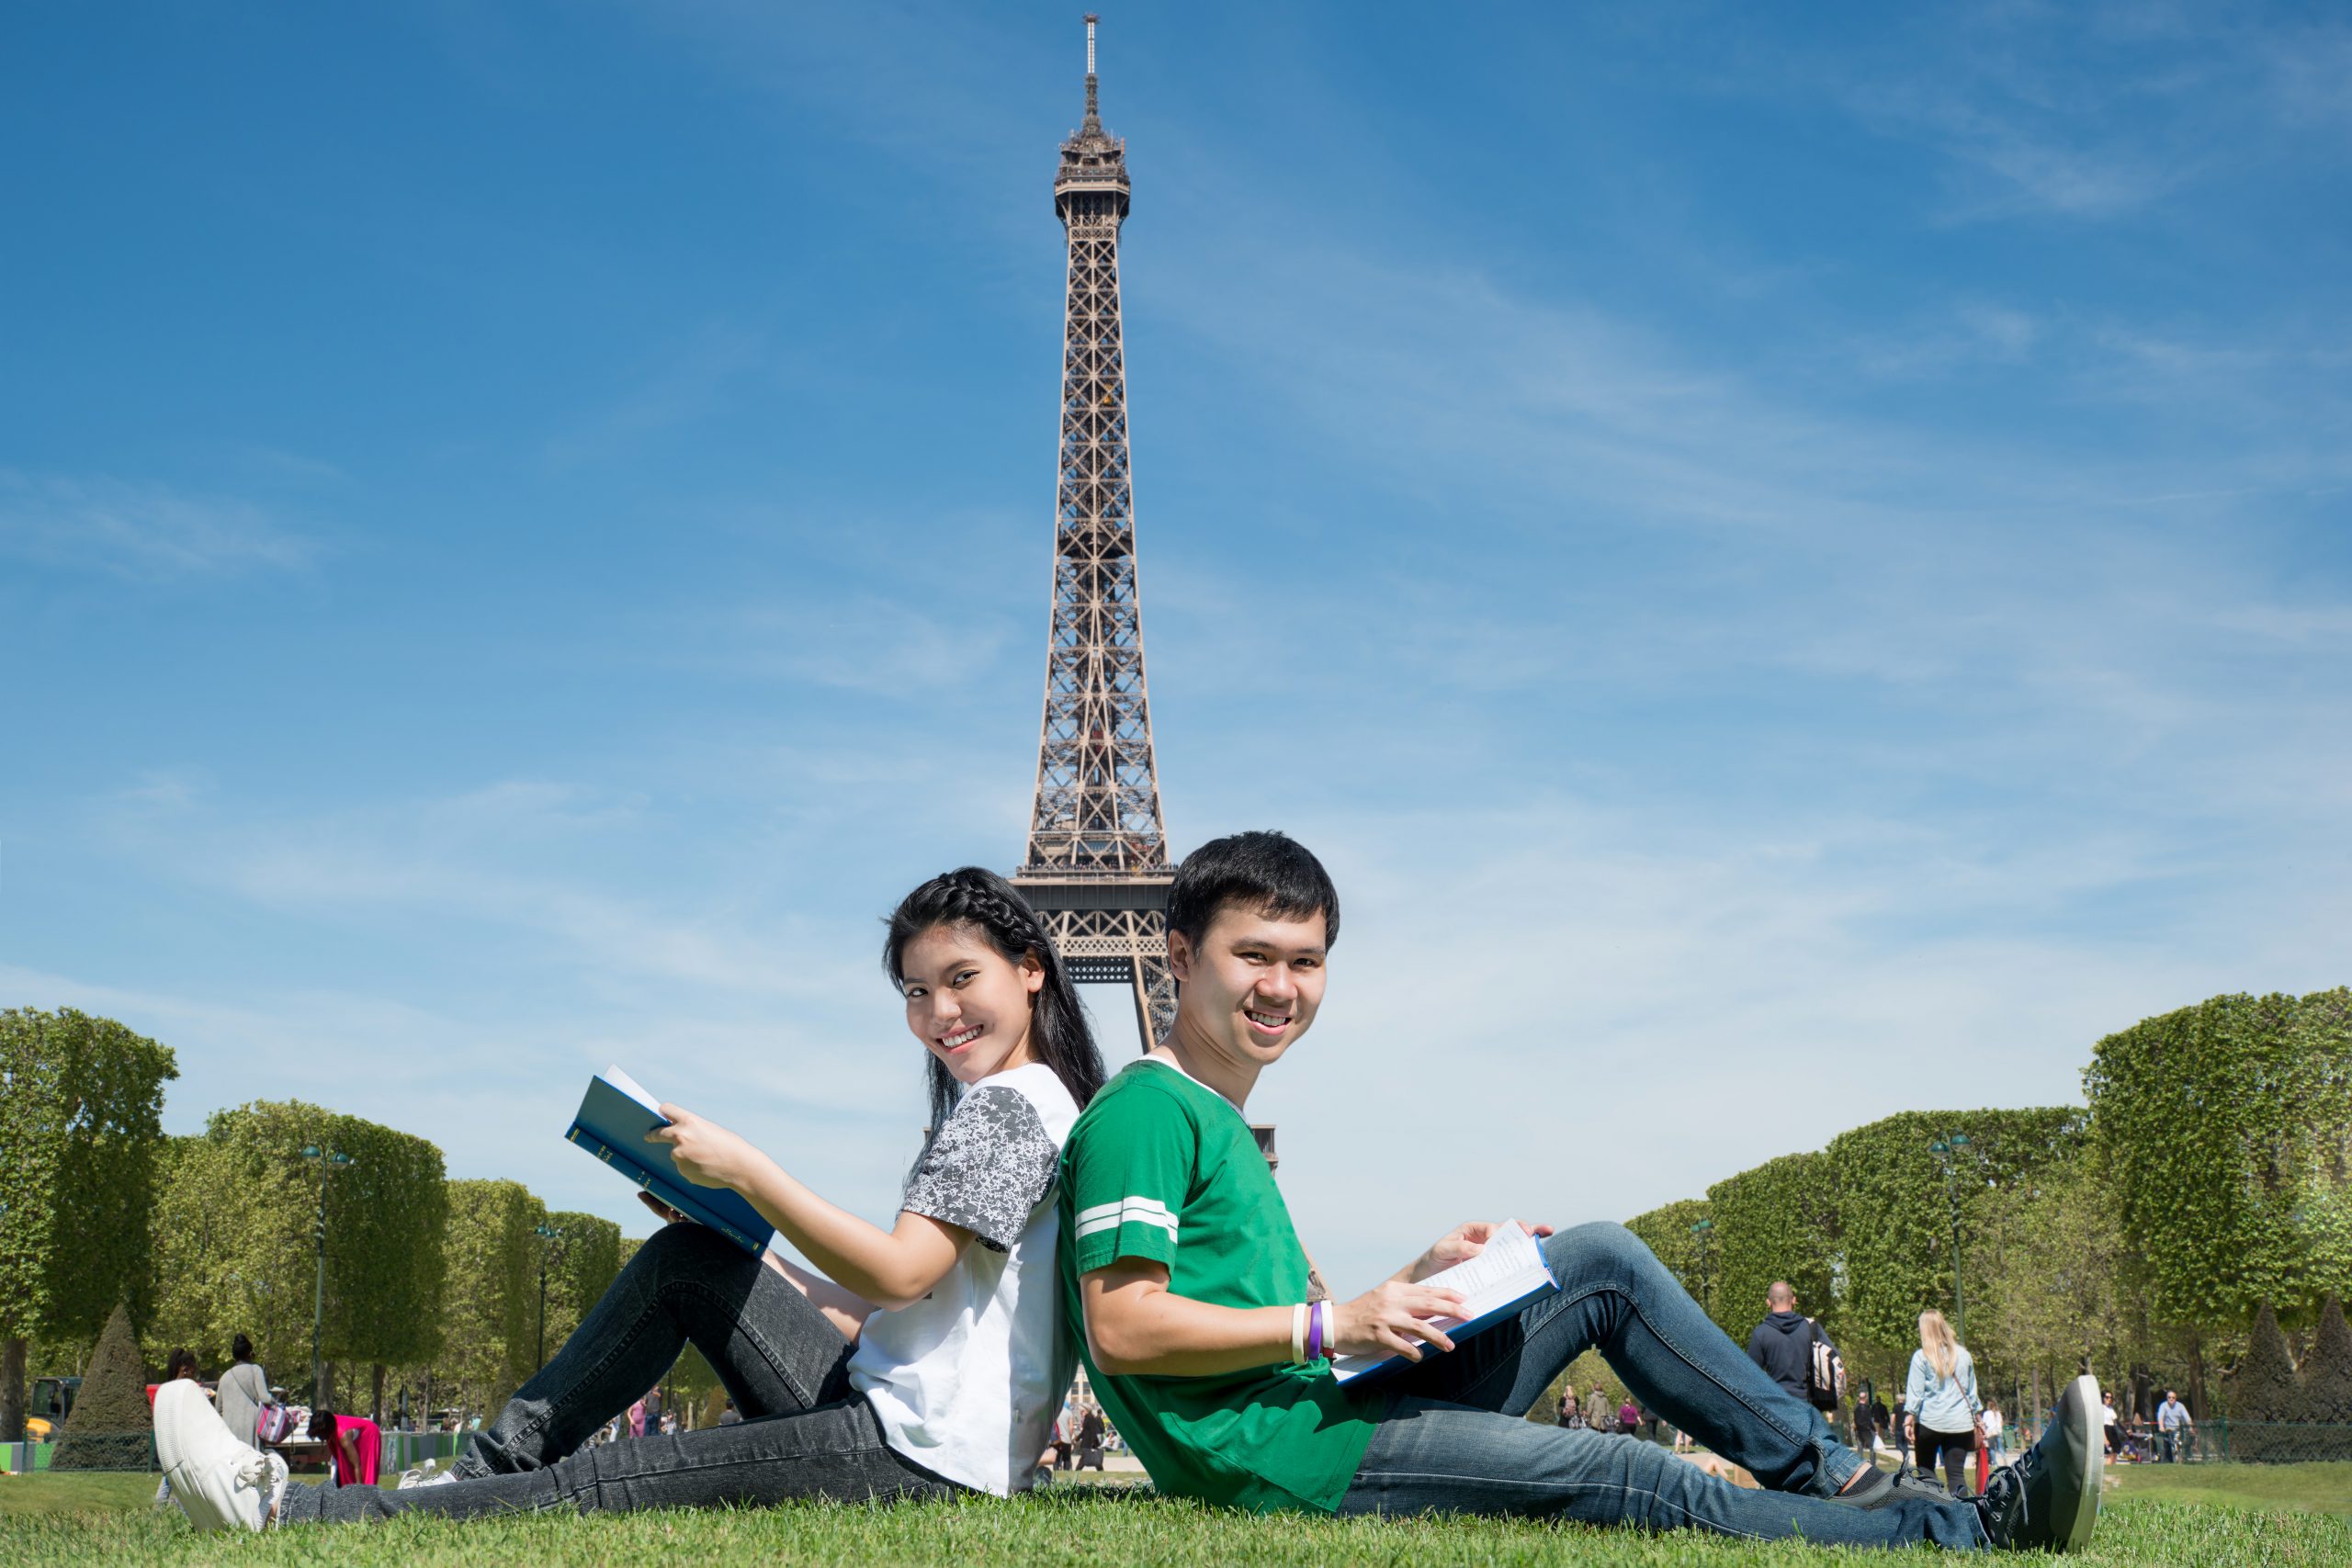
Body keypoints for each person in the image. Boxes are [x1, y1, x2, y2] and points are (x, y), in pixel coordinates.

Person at [1056, 830, 2105, 1552]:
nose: (1281, 987)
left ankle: (1840, 1479)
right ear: (1178, 956)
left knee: (1596, 1256)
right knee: (1634, 1480)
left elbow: (1253, 1317)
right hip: (1292, 1459)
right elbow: (1124, 1330)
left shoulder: (1208, 1112)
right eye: (1253, 956)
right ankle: (1972, 1529)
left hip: (1323, 1409)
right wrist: (1337, 1323)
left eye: (1307, 960)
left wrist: (1410, 1283)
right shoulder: (1147, 1112)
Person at [155, 867, 1108, 1535]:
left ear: (1031, 965)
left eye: (960, 979)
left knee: (611, 1480)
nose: (938, 1013)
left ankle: (283, 1508)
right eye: (914, 991)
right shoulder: (1027, 1101)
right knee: (691, 1262)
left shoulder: (1008, 1107)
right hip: (905, 1417)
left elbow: (901, 1272)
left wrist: (749, 1171)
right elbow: (899, 1312)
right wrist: (747, 1248)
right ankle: (479, 1473)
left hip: (919, 1459)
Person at [1905, 1309, 1984, 1497]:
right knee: (1957, 1476)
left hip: (1929, 1423)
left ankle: (1935, 1516)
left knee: (1926, 1472)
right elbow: (1972, 1393)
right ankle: (1964, 1519)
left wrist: (1909, 1418)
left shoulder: (1921, 1357)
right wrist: (1978, 1418)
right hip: (1960, 1424)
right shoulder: (1964, 1355)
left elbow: (1916, 1393)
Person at [1747, 1281, 1824, 1405]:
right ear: (1794, 1300)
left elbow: (1750, 1377)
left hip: (1776, 1406)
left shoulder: (1760, 1333)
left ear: (1768, 1302)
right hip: (1805, 1405)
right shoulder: (1809, 1329)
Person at [215, 1336, 274, 1452]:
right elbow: (265, 1398)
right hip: (251, 1427)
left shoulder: (225, 1377)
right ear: (250, 1354)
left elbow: (218, 1409)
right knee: (253, 1465)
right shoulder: (255, 1370)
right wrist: (277, 1399)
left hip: (230, 1431)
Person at [2154, 1390, 2190, 1463]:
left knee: (2181, 1442)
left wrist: (2190, 1427)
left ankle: (2181, 1456)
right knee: (2170, 1444)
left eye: (2173, 1397)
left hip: (2179, 1429)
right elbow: (2160, 1417)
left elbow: (2187, 1418)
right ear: (2167, 1398)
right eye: (2169, 1397)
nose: (2171, 1399)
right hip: (2168, 1429)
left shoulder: (2180, 1406)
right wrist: (2161, 1426)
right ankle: (2172, 1459)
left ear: (2176, 1398)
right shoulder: (2163, 1406)